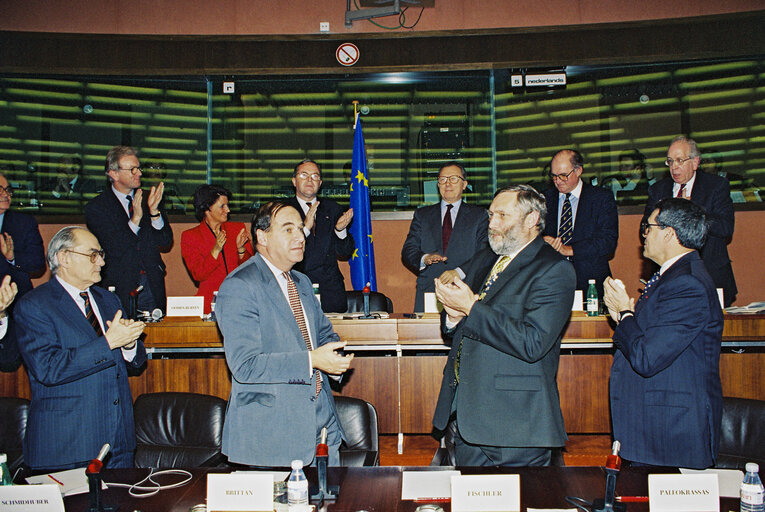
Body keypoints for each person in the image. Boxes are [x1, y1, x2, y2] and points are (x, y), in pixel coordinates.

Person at [432, 185, 576, 466]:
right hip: (470, 419)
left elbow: (532, 343)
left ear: (532, 219)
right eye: (490, 215)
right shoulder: (488, 260)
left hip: (515, 425)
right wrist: (453, 315)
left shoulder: (553, 269)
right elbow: (470, 327)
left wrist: (471, 308)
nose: (492, 224)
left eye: (502, 215)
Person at [216, 201, 354, 467]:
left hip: (323, 428)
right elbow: (245, 366)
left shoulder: (300, 282)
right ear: (262, 236)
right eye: (288, 229)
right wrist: (312, 361)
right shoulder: (239, 286)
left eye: (301, 229)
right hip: (272, 435)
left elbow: (323, 334)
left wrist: (334, 359)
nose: (300, 237)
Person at [15, 226, 147, 470]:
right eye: (93, 255)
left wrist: (129, 345)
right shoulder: (35, 305)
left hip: (118, 444)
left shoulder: (109, 300)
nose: (101, 262)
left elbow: (135, 362)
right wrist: (108, 343)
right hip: (68, 445)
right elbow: (48, 368)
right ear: (64, 258)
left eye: (101, 254)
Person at [604, 198, 723, 468]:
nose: (643, 234)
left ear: (669, 233)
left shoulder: (687, 283)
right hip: (654, 429)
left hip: (668, 433)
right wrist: (621, 318)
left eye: (649, 227)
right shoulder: (672, 277)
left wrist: (625, 313)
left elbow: (648, 358)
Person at [645, 136, 737, 306]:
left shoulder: (716, 186)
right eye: (670, 161)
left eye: (680, 160)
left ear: (695, 162)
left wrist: (692, 211)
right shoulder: (658, 190)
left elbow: (726, 227)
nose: (674, 167)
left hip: (710, 275)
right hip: (668, 278)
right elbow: (645, 229)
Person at [85, 146, 173, 314]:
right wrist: (135, 220)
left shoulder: (150, 198)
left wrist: (154, 213)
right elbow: (114, 248)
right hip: (120, 284)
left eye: (138, 168)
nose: (139, 173)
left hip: (151, 283)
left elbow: (165, 241)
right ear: (114, 174)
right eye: (132, 169)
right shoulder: (97, 207)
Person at [402, 162, 488, 312]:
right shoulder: (422, 215)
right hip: (430, 289)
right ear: (438, 184)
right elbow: (408, 251)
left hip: (466, 289)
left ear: (464, 184)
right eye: (443, 179)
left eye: (453, 179)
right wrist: (425, 258)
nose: (447, 183)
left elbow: (485, 252)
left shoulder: (479, 215)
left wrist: (458, 272)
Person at [543, 149, 618, 300]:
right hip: (551, 281)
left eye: (563, 175)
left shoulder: (600, 198)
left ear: (578, 171)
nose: (558, 181)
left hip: (590, 280)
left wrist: (569, 250)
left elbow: (607, 241)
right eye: (554, 176)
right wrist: (543, 241)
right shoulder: (544, 199)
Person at [285, 159, 354, 313]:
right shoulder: (283, 210)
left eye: (315, 176)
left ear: (320, 183)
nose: (310, 180)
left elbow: (344, 252)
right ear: (294, 181)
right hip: (297, 287)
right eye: (304, 175)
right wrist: (306, 229)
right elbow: (281, 250)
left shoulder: (332, 208)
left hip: (330, 290)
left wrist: (340, 230)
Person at [181, 185, 253, 313]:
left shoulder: (237, 229)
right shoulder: (190, 236)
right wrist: (215, 250)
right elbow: (198, 274)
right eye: (222, 206)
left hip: (240, 300)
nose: (228, 210)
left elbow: (250, 270)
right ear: (207, 208)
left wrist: (241, 249)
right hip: (209, 304)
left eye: (227, 205)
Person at [0, 172, 46, 371]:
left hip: (15, 306)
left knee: (11, 365)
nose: (6, 194)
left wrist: (12, 258)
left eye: (8, 190)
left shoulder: (23, 223)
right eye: (0, 190)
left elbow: (38, 264)